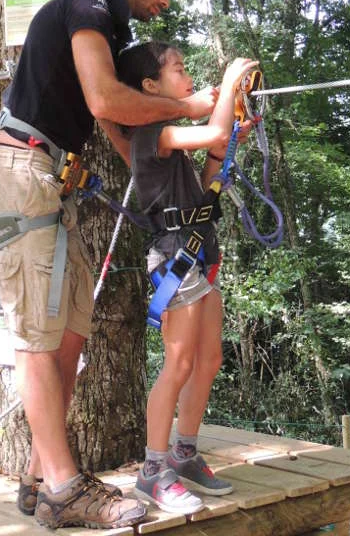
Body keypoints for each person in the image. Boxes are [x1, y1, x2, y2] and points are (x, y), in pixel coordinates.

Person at [0, 0, 218, 530]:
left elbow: (108, 117)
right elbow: (107, 97)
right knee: (36, 334)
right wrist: (187, 109)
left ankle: (38, 473)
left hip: (49, 177)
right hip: (19, 167)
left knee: (71, 329)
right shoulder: (90, 8)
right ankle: (62, 486)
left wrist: (157, 168)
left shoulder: (105, 32)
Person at [116, 41, 257, 514]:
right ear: (151, 87)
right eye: (178, 69)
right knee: (177, 365)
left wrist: (224, 146)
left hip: (198, 252)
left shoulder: (171, 140)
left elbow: (205, 187)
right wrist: (233, 79)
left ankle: (184, 453)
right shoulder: (153, 135)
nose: (188, 75)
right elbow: (211, 125)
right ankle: (153, 471)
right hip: (175, 258)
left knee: (209, 358)